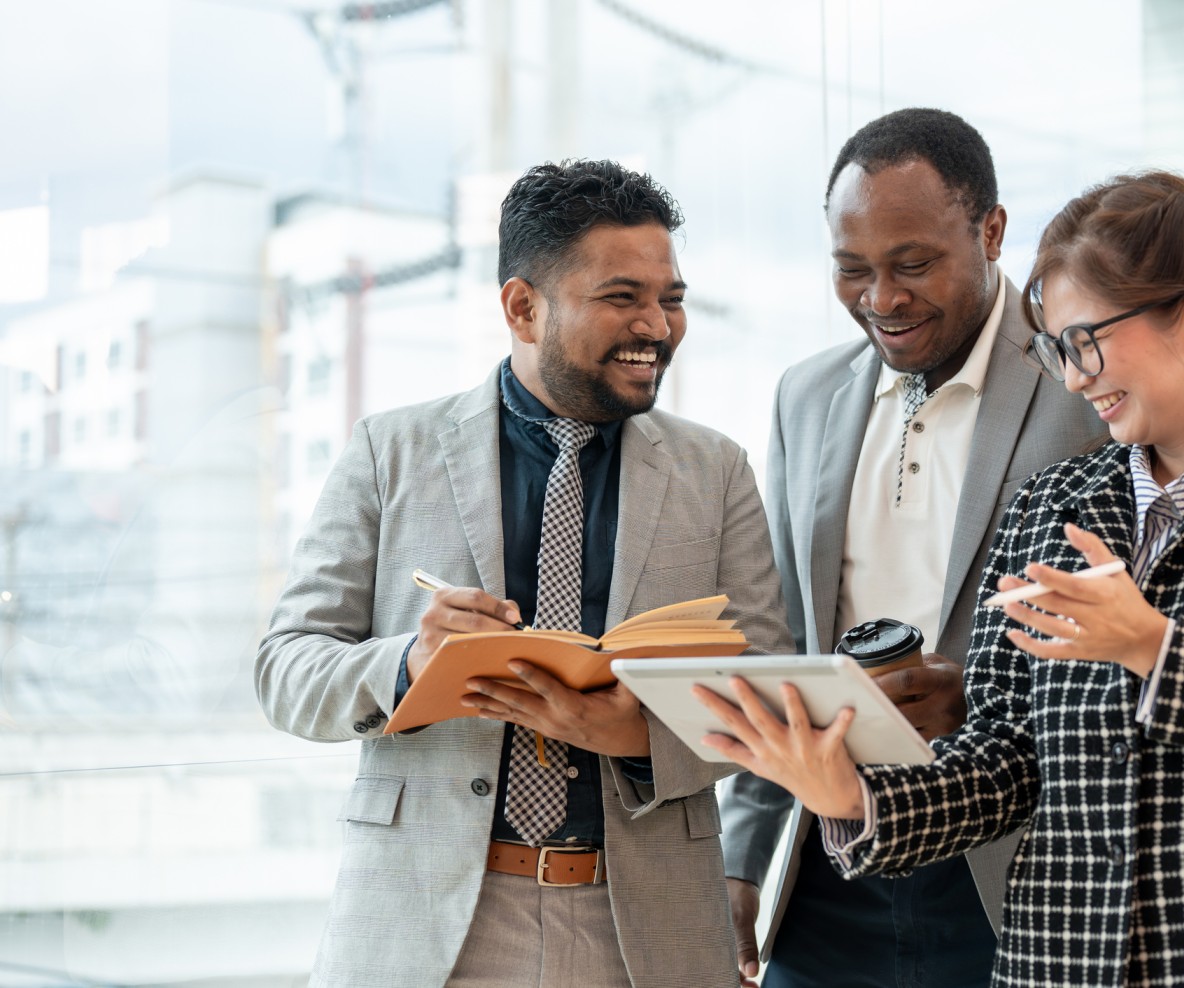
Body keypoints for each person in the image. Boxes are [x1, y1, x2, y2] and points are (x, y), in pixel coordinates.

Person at [699, 170, 1184, 988]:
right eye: (1057, 351)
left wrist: (1156, 648)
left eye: (1084, 342)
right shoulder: (1052, 503)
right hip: (1059, 965)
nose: (1074, 377)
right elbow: (1005, 757)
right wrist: (850, 795)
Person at [256, 159, 794, 988]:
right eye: (623, 298)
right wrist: (407, 664)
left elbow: (761, 683)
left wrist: (640, 738)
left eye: (671, 298)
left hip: (649, 927)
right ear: (521, 306)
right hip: (433, 924)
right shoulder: (388, 451)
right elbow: (285, 669)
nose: (657, 325)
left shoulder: (716, 470)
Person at [719, 108, 1105, 987]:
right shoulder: (805, 397)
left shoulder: (1085, 386)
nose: (881, 298)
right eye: (851, 270)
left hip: (1014, 864)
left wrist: (979, 696)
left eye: (913, 264)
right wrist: (742, 859)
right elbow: (782, 643)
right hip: (829, 860)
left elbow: (1147, 619)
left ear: (991, 232)